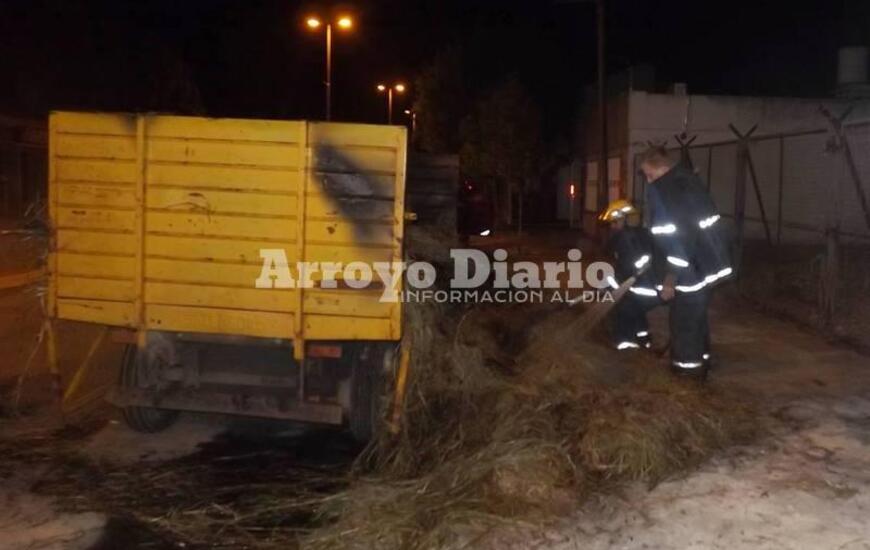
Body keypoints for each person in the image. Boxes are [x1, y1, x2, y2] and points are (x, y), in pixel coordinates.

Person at [640, 146, 732, 380]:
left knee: (684, 322)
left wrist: (670, 279)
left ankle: (686, 373)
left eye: (649, 175)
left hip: (688, 271)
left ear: (662, 169)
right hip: (705, 265)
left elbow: (677, 241)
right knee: (697, 317)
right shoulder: (688, 182)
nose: (648, 181)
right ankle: (702, 361)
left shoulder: (667, 193)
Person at [600, 199, 661, 351]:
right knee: (635, 308)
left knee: (623, 308)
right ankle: (643, 339)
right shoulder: (641, 233)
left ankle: (626, 344)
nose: (612, 227)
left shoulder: (626, 239)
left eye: (614, 222)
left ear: (624, 220)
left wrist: (609, 286)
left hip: (645, 288)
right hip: (653, 286)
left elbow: (626, 270)